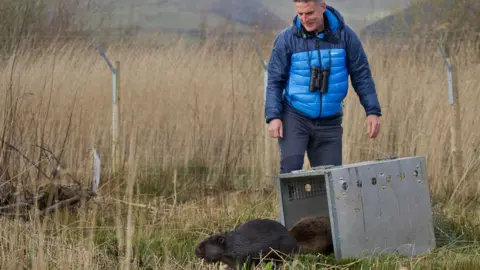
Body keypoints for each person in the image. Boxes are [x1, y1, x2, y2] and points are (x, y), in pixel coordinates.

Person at [265, 0, 382, 174]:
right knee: (290, 175)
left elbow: (362, 75)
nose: (304, 19)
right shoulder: (287, 39)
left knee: (330, 180)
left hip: (330, 121)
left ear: (323, 7)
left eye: (310, 13)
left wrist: (372, 111)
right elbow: (275, 80)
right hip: (295, 117)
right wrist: (273, 116)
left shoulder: (346, 36)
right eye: (300, 14)